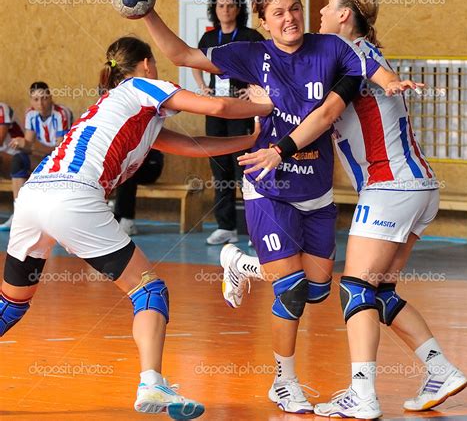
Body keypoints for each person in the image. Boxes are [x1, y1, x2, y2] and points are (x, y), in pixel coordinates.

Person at [141, 0, 420, 413]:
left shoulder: (328, 47)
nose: (289, 18)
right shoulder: (251, 56)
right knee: (290, 291)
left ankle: (241, 264)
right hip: (268, 184)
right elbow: (181, 56)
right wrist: (147, 14)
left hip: (317, 189)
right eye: (278, 13)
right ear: (264, 22)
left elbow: (365, 65)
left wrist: (391, 81)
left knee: (317, 292)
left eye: (295, 9)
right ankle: (283, 382)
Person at [0, 36, 272, 419]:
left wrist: (252, 139)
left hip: (33, 198)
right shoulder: (140, 87)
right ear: (147, 64)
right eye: (156, 64)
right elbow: (219, 105)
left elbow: (195, 146)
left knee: (11, 306)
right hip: (74, 198)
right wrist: (271, 102)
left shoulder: (120, 110)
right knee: (149, 289)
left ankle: (154, 383)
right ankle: (152, 383)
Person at [232, 0, 467, 418]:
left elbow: (321, 114)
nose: (318, 12)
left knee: (356, 288)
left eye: (326, 5)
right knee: (379, 292)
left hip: (388, 187)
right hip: (420, 187)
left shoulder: (345, 54)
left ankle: (362, 394)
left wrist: (273, 127)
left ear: (344, 17)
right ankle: (440, 368)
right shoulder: (353, 54)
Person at [192, 0, 264, 245]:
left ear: (238, 9)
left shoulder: (249, 36)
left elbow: (266, 66)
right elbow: (195, 63)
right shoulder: (208, 38)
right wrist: (202, 87)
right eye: (221, 6)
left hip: (240, 110)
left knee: (243, 166)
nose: (225, 10)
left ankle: (256, 227)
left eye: (231, 5)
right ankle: (226, 226)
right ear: (215, 10)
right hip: (214, 109)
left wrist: (254, 91)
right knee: (219, 167)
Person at [0, 82, 74, 230]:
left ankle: (55, 217)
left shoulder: (61, 113)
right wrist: (22, 144)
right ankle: (19, 214)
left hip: (63, 160)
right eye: (35, 99)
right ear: (30, 101)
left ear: (51, 98)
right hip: (43, 156)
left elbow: (59, 150)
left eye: (44, 98)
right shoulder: (31, 114)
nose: (40, 103)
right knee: (19, 159)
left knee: (50, 162)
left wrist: (28, 145)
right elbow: (28, 146)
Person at [113, 149, 164, 235]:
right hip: (132, 164)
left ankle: (127, 221)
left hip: (151, 165)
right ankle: (116, 216)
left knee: (128, 173)